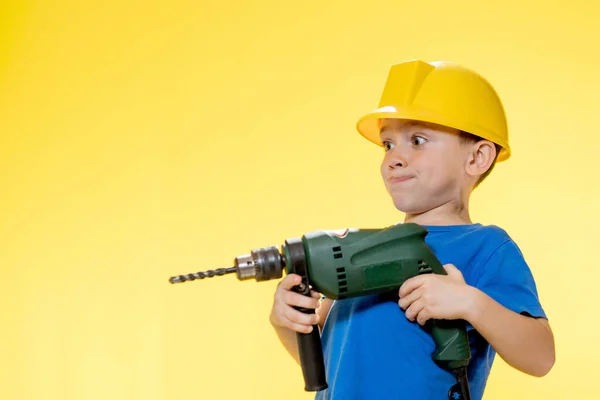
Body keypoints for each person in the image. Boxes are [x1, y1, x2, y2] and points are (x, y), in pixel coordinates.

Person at [268, 59, 555, 400]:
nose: (394, 158)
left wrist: (471, 303)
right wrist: (290, 324)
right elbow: (332, 363)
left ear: (477, 158)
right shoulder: (360, 254)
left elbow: (541, 357)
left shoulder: (486, 248)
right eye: (388, 144)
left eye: (417, 140)